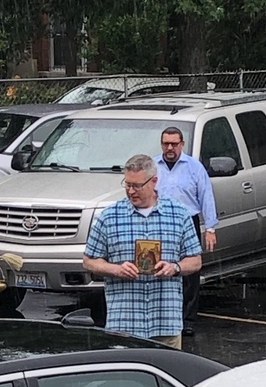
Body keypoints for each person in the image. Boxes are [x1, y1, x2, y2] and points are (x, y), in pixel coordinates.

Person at [84, 154, 203, 349]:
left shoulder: (179, 214)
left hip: (165, 323)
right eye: (127, 184)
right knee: (123, 379)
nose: (131, 191)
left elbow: (196, 261)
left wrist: (175, 267)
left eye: (137, 186)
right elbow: (88, 261)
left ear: (154, 181)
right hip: (123, 325)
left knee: (167, 375)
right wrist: (116, 269)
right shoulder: (109, 217)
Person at [154, 126, 217, 335]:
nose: (170, 147)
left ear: (182, 144)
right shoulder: (152, 166)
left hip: (187, 221)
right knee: (159, 269)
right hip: (158, 222)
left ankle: (187, 320)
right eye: (166, 143)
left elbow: (206, 196)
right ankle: (162, 317)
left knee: (188, 272)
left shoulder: (194, 167)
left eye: (174, 143)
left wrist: (210, 228)